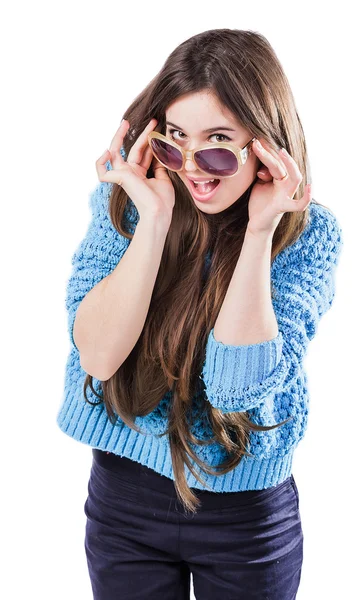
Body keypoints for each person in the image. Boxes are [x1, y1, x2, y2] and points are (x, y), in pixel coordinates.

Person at [56, 28, 344, 600]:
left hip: (246, 516)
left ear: (265, 146)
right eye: (173, 141)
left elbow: (238, 388)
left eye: (217, 142)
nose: (193, 166)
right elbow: (98, 354)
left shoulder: (306, 237)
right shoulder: (130, 208)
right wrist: (154, 222)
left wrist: (260, 230)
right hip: (126, 502)